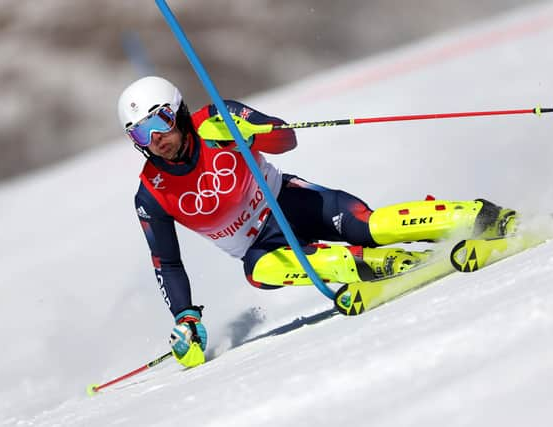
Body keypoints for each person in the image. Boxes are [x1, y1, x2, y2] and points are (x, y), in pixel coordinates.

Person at [117, 76, 516, 368]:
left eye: (160, 121)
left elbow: (286, 138)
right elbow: (166, 262)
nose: (156, 139)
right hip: (263, 247)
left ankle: (478, 216)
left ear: (180, 111)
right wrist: (186, 318)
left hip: (291, 202)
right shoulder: (150, 193)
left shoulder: (216, 119)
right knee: (258, 269)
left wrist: (249, 135)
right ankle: (375, 266)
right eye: (140, 134)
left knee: (365, 227)